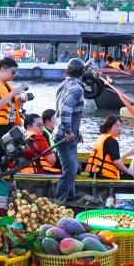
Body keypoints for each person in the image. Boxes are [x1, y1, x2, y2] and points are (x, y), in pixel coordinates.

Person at [52, 58, 87, 199]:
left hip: (63, 134)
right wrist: (68, 131)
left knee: (71, 169)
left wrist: (76, 132)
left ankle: (70, 198)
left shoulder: (64, 85)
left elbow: (67, 113)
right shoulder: (77, 89)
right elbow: (66, 110)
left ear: (67, 71)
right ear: (83, 73)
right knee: (70, 171)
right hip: (65, 137)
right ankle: (59, 201)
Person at [85, 115, 134, 180]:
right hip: (105, 176)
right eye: (117, 126)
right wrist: (129, 171)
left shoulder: (101, 137)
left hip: (94, 174)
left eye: (120, 126)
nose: (120, 129)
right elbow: (117, 162)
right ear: (109, 127)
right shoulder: (112, 141)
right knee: (133, 176)